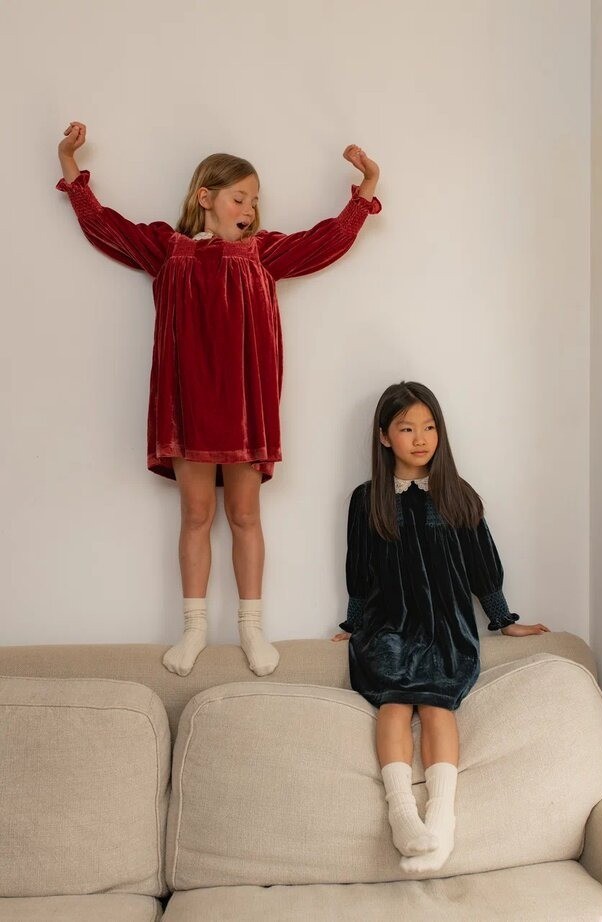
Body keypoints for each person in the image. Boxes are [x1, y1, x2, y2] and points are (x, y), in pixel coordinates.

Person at [57, 122, 380, 677]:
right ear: (205, 197)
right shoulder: (169, 250)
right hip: (187, 411)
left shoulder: (262, 254)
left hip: (245, 410)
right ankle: (194, 628)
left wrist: (366, 186)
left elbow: (326, 240)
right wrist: (69, 161)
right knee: (196, 515)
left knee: (246, 516)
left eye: (254, 201)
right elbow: (104, 225)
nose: (249, 209)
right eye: (239, 197)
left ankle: (252, 627)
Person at [332, 381, 548, 873]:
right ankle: (403, 815)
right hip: (389, 624)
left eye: (429, 427)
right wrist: (355, 623)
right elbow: (359, 567)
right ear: (384, 436)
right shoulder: (367, 499)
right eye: (406, 428)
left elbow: (481, 563)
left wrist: (502, 619)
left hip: (447, 626)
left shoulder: (456, 494)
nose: (420, 438)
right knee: (393, 703)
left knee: (436, 706)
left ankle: (441, 820)